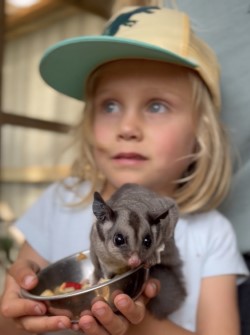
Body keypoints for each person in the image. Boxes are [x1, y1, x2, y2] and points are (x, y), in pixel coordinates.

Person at [1, 4, 249, 335]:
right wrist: (17, 309)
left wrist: (135, 321)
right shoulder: (62, 200)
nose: (127, 127)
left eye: (156, 105)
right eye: (110, 105)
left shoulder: (212, 233)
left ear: (200, 135)